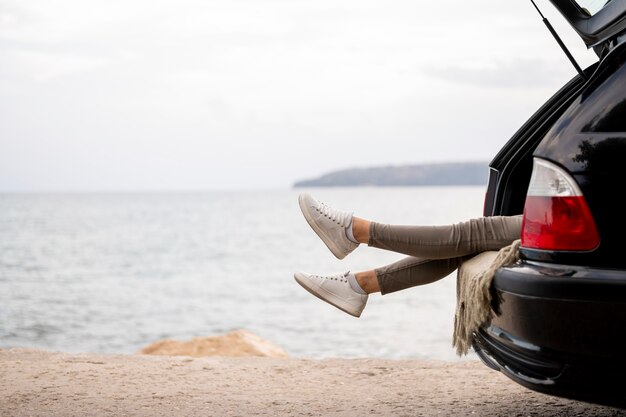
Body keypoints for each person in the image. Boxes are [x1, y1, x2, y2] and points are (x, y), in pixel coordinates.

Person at [294, 193, 522, 318]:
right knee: (465, 246)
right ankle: (358, 285)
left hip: (556, 226)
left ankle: (354, 231)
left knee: (476, 233)